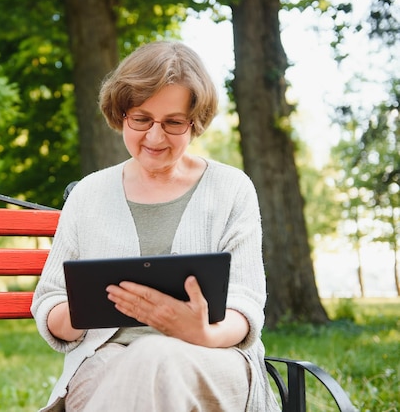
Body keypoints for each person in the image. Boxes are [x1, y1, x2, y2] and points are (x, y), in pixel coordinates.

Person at [31, 40, 280, 412]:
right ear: (122, 114)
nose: (155, 137)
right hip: (105, 361)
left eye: (173, 122)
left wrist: (203, 331)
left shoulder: (231, 188)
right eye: (141, 119)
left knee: (156, 356)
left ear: (194, 123)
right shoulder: (89, 194)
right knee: (136, 363)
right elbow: (49, 299)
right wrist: (79, 312)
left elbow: (245, 305)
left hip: (211, 358)